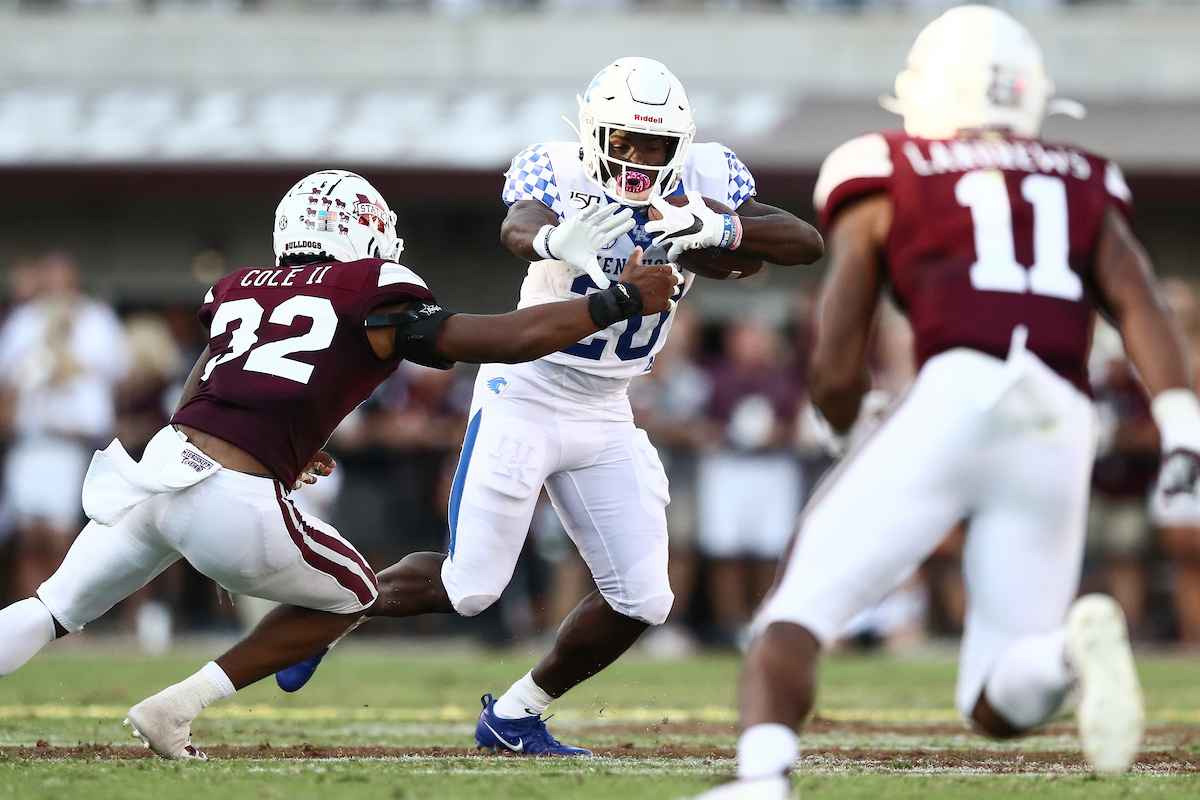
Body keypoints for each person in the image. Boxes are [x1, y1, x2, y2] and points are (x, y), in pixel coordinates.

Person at [0, 168, 682, 760]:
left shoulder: (241, 284)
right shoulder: (370, 288)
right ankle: (175, 707)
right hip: (229, 498)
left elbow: (205, 385)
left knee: (48, 608)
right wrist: (617, 301)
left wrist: (277, 443)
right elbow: (495, 341)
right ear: (363, 231)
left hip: (160, 472)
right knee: (355, 595)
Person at [695, 7, 1200, 797]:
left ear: (925, 89)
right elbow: (1140, 302)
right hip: (1060, 415)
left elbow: (843, 334)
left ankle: (762, 779)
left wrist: (839, 421)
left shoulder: (885, 161)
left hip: (960, 388)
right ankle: (1065, 655)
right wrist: (1182, 427)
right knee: (995, 695)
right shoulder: (1083, 174)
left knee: (794, 611)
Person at [274, 56, 823, 755]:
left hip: (609, 406)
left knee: (646, 599)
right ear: (593, 133)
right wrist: (552, 240)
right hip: (528, 391)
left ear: (679, 145)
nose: (637, 157)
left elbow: (805, 242)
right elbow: (518, 224)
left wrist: (720, 228)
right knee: (471, 586)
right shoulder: (557, 167)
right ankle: (327, 611)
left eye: (653, 144)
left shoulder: (707, 177)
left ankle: (515, 716)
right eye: (623, 140)